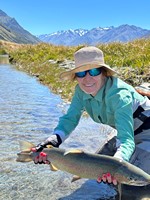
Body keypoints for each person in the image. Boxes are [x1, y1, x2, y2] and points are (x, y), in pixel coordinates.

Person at [32, 46, 150, 185]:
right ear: (76, 77)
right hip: (125, 130)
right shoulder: (80, 91)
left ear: (103, 73)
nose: (87, 79)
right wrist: (53, 140)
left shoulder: (119, 96)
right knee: (91, 170)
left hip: (146, 131)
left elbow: (126, 141)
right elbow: (70, 119)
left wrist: (117, 167)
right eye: (81, 73)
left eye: (94, 71)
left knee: (137, 182)